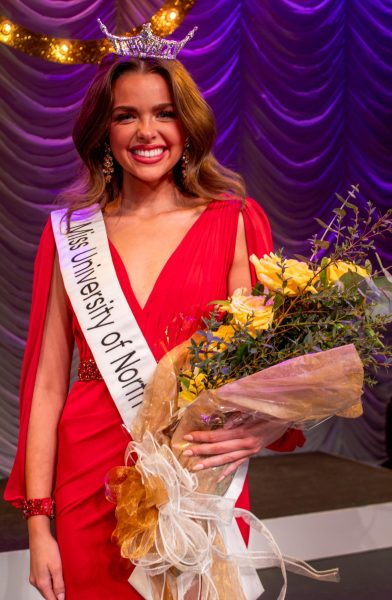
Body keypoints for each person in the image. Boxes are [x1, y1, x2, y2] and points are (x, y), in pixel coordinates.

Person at [4, 23, 305, 600]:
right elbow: (46, 386)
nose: (147, 132)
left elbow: (273, 370)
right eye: (126, 116)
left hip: (193, 469)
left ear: (186, 126)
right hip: (88, 475)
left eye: (163, 113)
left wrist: (265, 428)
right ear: (104, 131)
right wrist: (39, 525)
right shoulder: (70, 233)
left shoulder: (236, 221)